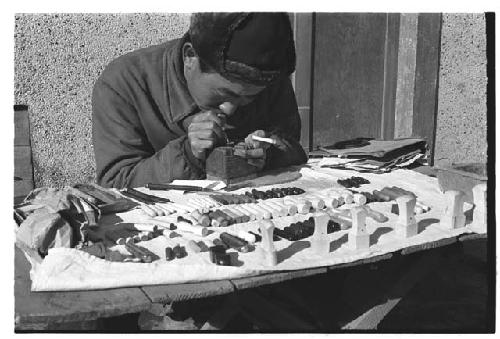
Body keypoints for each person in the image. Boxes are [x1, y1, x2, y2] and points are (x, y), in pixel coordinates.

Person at [92, 12, 307, 188]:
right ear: (190, 57)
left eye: (248, 97)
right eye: (224, 93)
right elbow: (116, 183)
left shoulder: (268, 78)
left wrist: (270, 154)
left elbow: (294, 149)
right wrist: (187, 154)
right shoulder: (125, 84)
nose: (230, 109)